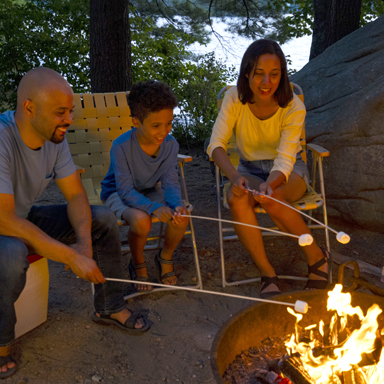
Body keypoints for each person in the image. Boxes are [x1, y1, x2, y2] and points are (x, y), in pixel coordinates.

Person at [0, 68, 150, 379]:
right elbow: (4, 219)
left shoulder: (53, 136)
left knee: (102, 219)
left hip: (21, 216)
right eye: (60, 112)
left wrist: (83, 243)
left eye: (70, 111)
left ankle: (109, 305)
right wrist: (71, 257)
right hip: (4, 222)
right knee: (10, 253)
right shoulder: (2, 139)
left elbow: (75, 195)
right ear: (29, 108)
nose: (68, 119)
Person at [207, 39, 329, 298]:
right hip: (249, 169)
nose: (266, 82)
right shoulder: (234, 99)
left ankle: (317, 257)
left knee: (273, 199)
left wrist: (270, 184)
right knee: (236, 198)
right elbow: (215, 144)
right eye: (259, 74)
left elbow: (285, 159)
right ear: (247, 73)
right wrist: (235, 176)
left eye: (274, 75)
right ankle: (267, 272)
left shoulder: (293, 106)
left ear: (282, 75)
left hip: (289, 169)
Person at [101, 80, 189, 292]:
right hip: (118, 193)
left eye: (169, 123)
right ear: (136, 122)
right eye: (156, 125)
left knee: (182, 215)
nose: (164, 131)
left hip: (149, 190)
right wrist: (154, 208)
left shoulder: (170, 145)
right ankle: (137, 263)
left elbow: (169, 182)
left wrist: (175, 204)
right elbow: (124, 190)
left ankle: (164, 257)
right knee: (141, 221)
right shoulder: (121, 146)